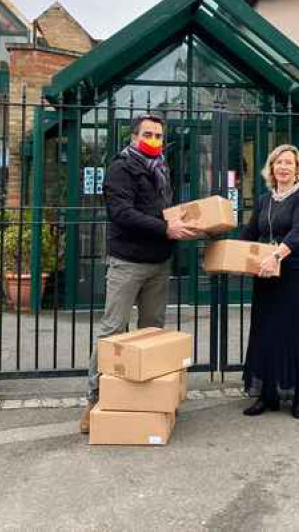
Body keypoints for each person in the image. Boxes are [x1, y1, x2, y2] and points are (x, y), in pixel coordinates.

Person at [79, 115, 199, 433]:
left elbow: (161, 209)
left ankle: (150, 398)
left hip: (159, 261)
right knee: (112, 330)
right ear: (134, 137)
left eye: (159, 135)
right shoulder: (121, 168)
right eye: (148, 134)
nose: (154, 139)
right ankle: (94, 400)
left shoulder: (161, 167)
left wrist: (180, 220)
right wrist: (165, 227)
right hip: (127, 262)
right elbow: (121, 213)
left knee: (152, 332)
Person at [240, 144, 299, 419]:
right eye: (279, 163)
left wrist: (277, 256)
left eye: (289, 163)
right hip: (268, 275)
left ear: (298, 169)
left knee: (297, 332)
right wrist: (227, 249)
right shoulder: (265, 199)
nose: (283, 167)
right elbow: (251, 231)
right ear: (271, 168)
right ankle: (267, 395)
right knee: (266, 332)